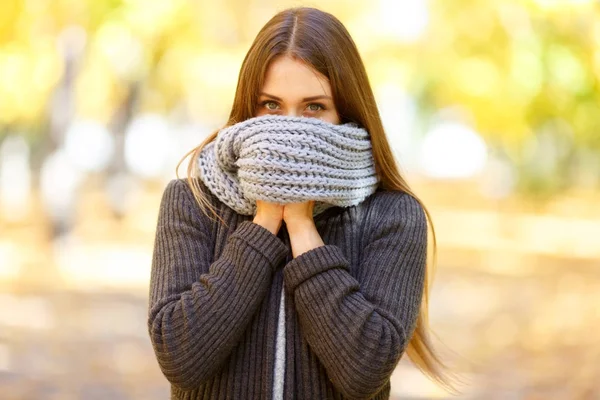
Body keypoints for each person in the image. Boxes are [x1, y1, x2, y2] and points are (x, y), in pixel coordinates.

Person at [147, 6, 457, 400]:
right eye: (271, 106)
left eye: (314, 107)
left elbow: (365, 372)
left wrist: (301, 227)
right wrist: (262, 226)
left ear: (345, 111)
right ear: (248, 109)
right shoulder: (192, 203)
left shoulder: (393, 216)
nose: (289, 128)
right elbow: (181, 358)